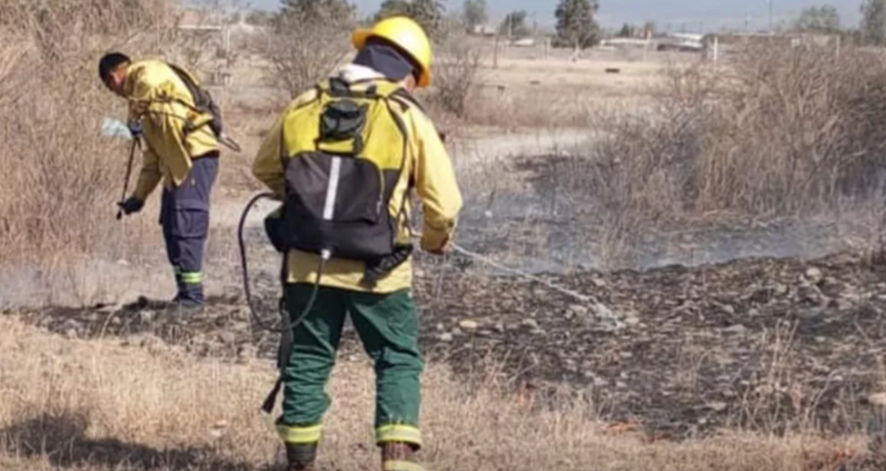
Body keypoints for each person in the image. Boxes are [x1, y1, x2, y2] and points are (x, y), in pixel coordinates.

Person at [251, 16, 463, 471]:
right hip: (380, 272)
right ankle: (398, 464)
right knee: (396, 360)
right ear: (407, 70)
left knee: (307, 358)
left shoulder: (304, 104)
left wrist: (309, 202)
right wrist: (434, 240)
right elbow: (444, 202)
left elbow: (266, 170)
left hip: (307, 265)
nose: (414, 87)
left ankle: (299, 464)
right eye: (415, 80)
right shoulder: (405, 114)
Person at [98, 52, 221, 311]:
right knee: (171, 226)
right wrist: (138, 198)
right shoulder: (147, 111)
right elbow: (151, 164)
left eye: (112, 88)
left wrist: (133, 116)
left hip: (195, 156)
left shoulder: (147, 72)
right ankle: (184, 292)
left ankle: (193, 300)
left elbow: (150, 84)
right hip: (174, 167)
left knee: (186, 224)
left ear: (113, 77)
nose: (117, 94)